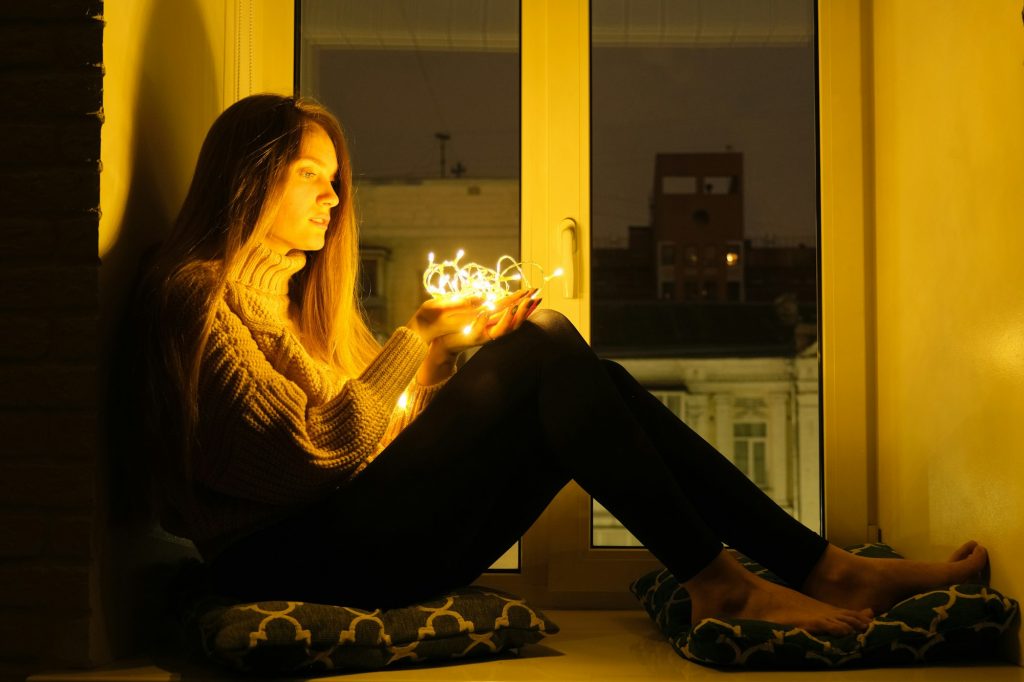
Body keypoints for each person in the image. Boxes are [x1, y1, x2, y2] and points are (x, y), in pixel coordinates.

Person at [137, 94, 987, 638]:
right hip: (287, 561)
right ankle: (732, 581)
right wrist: (421, 340)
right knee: (547, 343)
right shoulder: (198, 297)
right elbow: (302, 459)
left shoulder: (287, 309)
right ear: (250, 180)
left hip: (348, 544)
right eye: (311, 175)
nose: (334, 197)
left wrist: (441, 370)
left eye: (336, 181)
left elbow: (357, 444)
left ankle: (817, 568)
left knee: (583, 374)